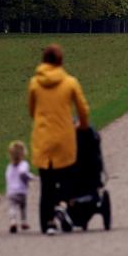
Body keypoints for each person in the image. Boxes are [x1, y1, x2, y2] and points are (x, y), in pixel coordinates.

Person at [28, 44, 90, 236]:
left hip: (44, 138)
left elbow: (32, 110)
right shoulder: (70, 82)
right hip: (65, 137)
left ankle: (48, 223)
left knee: (46, 185)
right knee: (67, 179)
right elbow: (83, 110)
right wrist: (82, 125)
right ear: (60, 61)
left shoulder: (34, 84)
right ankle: (62, 207)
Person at [5, 140, 35, 233]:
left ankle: (13, 221)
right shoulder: (24, 164)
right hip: (21, 191)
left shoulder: (9, 166)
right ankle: (23, 221)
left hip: (11, 192)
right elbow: (23, 173)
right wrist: (30, 177)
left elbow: (7, 176)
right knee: (23, 207)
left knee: (12, 207)